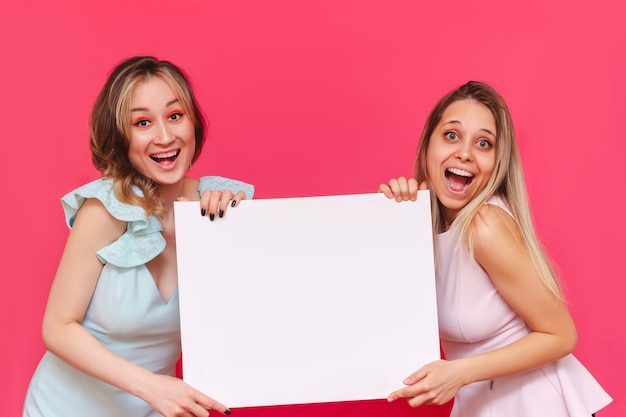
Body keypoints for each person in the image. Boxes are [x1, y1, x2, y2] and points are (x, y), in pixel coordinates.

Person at [22, 56, 254, 417]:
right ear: (122, 136)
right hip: (65, 408)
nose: (165, 136)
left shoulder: (221, 206)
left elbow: (277, 301)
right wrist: (152, 387)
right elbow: (57, 327)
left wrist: (231, 233)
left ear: (193, 122)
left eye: (175, 116)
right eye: (142, 122)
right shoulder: (104, 210)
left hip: (156, 409)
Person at [380, 81, 611, 416]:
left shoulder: (484, 225)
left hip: (538, 406)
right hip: (485, 406)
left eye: (484, 143)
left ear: (497, 162)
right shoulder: (422, 221)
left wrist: (458, 374)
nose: (464, 153)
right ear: (428, 144)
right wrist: (393, 214)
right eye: (451, 135)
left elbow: (561, 335)